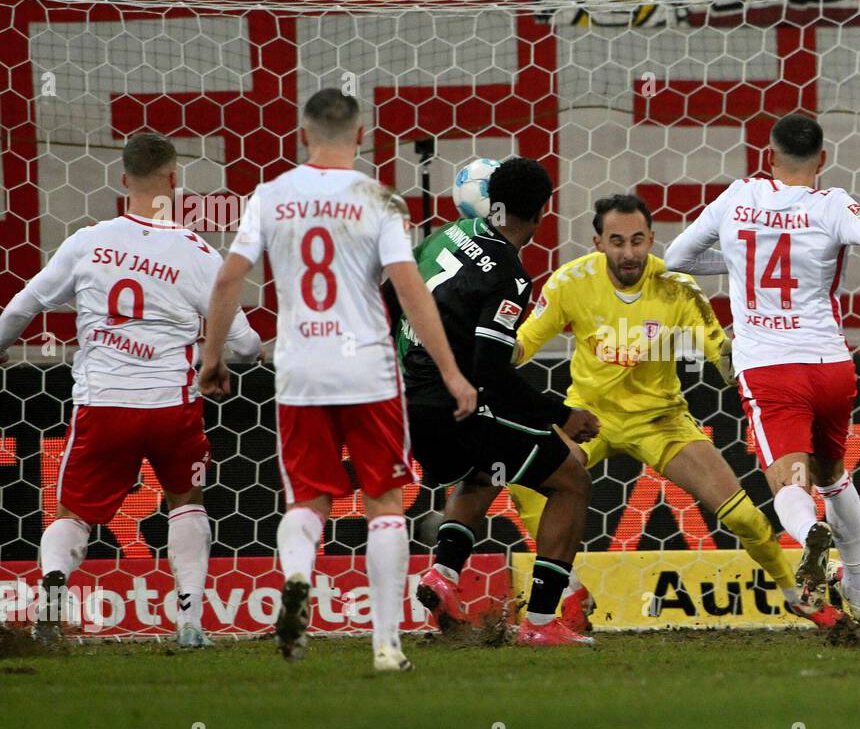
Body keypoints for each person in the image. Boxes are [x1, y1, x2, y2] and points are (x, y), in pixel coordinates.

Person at [200, 88, 475, 673]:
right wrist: (451, 372)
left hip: (301, 369)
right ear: (360, 136)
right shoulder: (380, 201)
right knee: (385, 503)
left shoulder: (271, 196)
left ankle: (298, 579)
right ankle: (385, 645)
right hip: (369, 369)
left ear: (303, 136)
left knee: (307, 499)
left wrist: (211, 356)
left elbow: (227, 282)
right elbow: (409, 288)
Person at [510, 192, 842, 629]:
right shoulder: (570, 283)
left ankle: (796, 596)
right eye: (616, 241)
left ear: (651, 238)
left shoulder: (676, 286)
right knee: (525, 483)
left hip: (661, 421)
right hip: (589, 418)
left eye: (637, 240)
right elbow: (523, 344)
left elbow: (717, 349)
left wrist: (753, 361)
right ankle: (570, 590)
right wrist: (475, 356)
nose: (628, 253)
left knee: (744, 517)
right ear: (597, 242)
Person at [0, 133, 262, 648]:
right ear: (174, 181)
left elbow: (23, 306)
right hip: (171, 407)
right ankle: (189, 623)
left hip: (103, 406)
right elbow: (247, 344)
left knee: (73, 513)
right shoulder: (199, 255)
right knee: (186, 501)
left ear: (123, 181)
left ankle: (53, 591)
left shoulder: (87, 242)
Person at [665, 114, 860, 624]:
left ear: (768, 157)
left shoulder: (738, 198)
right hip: (832, 367)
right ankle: (858, 587)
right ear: (823, 159)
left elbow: (677, 257)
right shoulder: (832, 205)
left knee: (791, 482)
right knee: (834, 475)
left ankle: (809, 534)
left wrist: (739, 259)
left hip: (771, 370)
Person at [387, 156, 602, 647]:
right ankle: (542, 624)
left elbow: (390, 293)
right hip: (453, 406)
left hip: (406, 404)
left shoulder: (446, 233)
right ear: (542, 213)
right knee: (571, 480)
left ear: (492, 200)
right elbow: (491, 373)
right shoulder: (510, 276)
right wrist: (563, 415)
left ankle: (441, 575)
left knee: (485, 469)